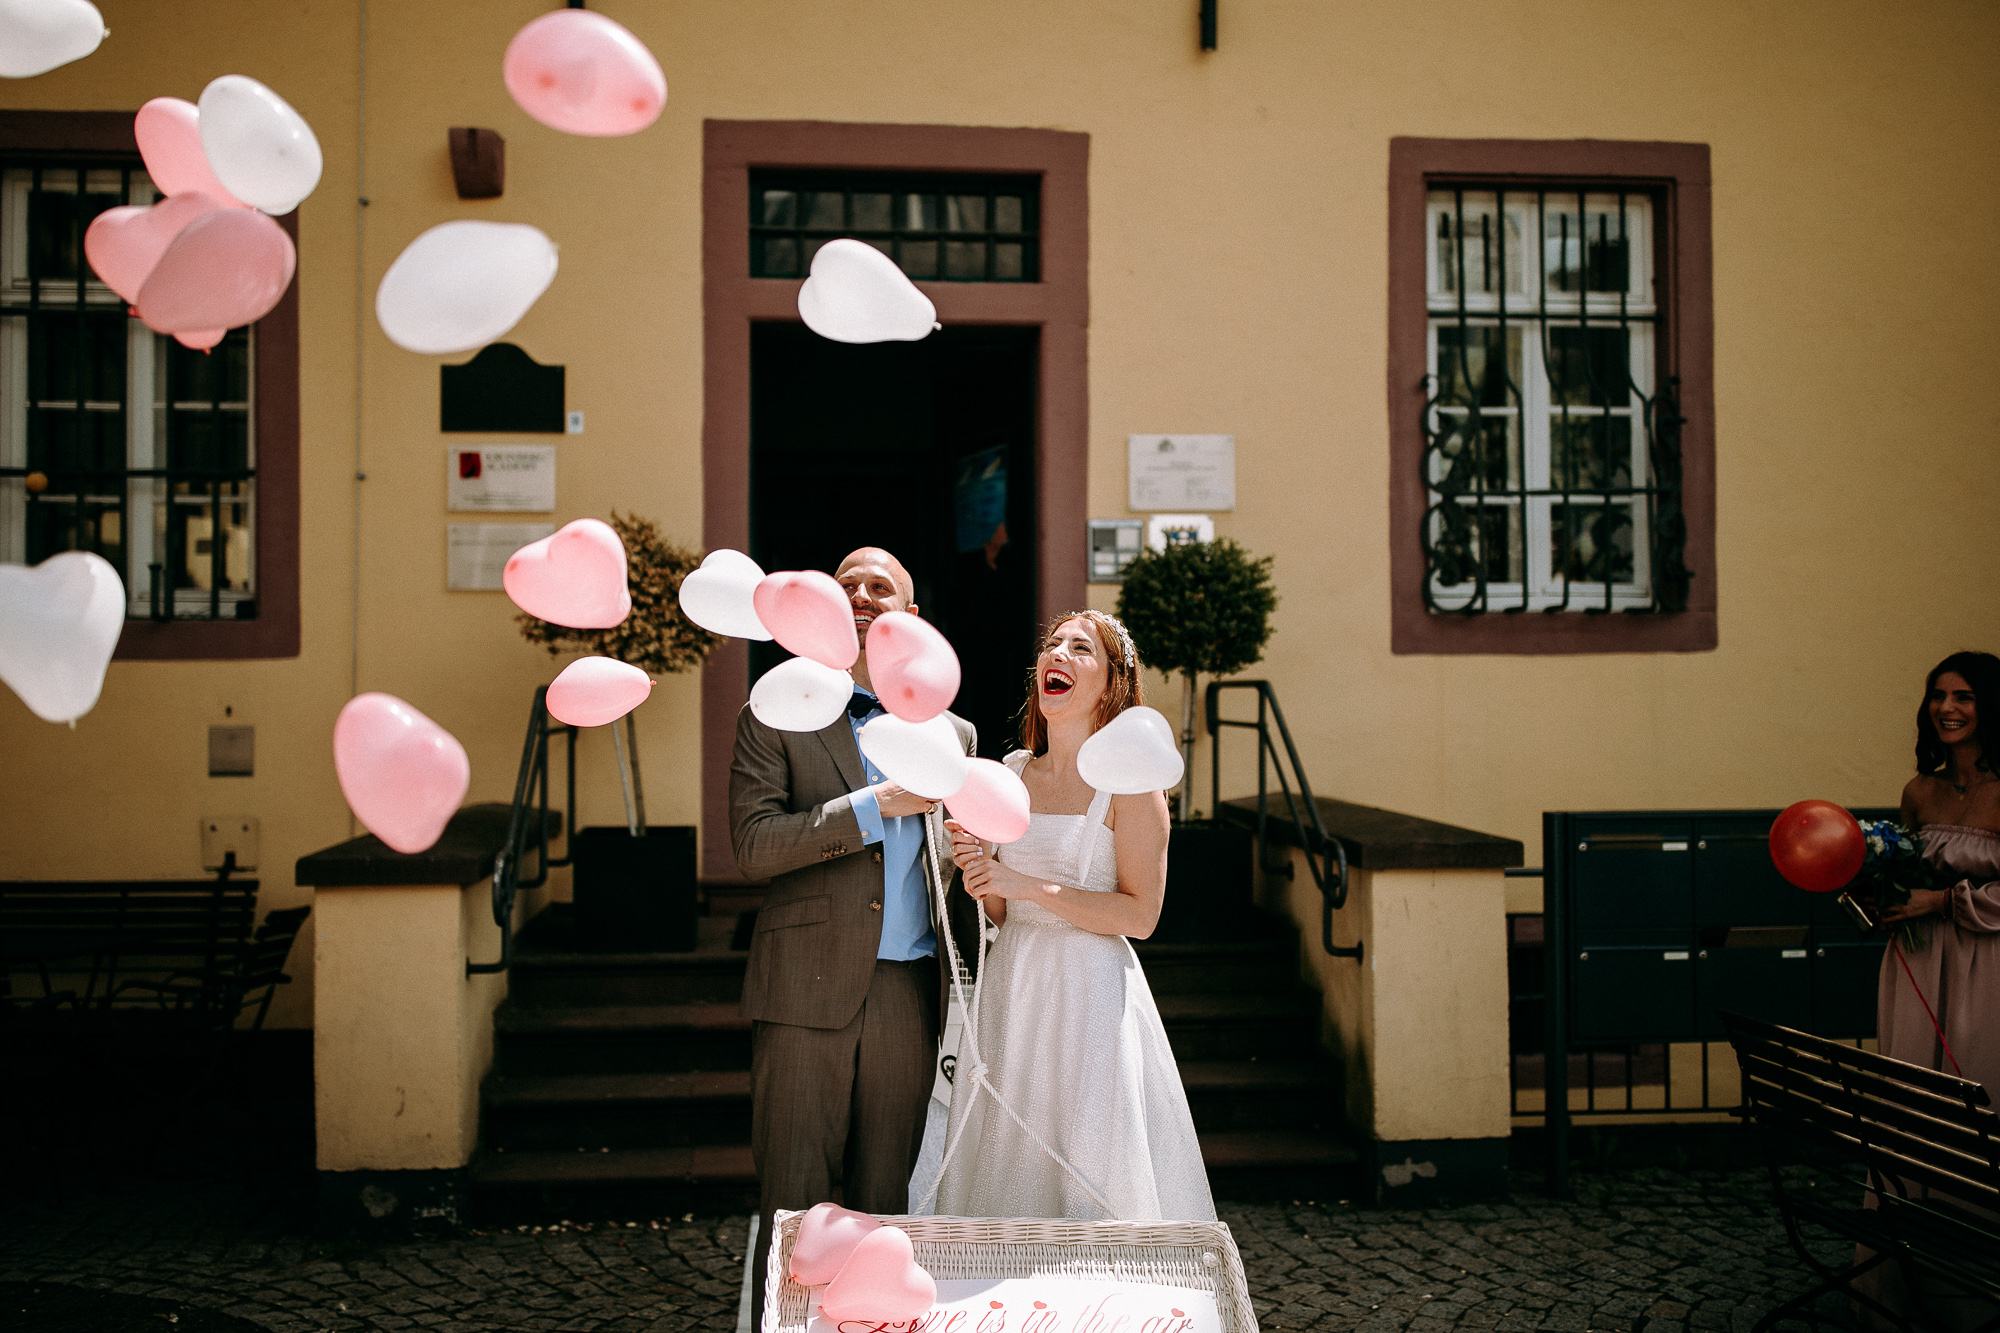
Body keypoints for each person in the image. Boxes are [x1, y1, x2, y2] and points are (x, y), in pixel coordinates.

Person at [730, 546, 977, 1315]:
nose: (864, 596)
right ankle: (781, 1323)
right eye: (848, 586)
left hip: (909, 992)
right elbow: (753, 844)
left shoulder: (957, 735)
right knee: (795, 1198)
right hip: (804, 983)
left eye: (883, 587)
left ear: (911, 617)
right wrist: (874, 807)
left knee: (889, 1200)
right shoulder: (775, 707)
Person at [924, 610, 1216, 1221]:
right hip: (1014, 985)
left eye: (1081, 648)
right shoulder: (1009, 774)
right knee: (1009, 1154)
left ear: (1110, 684)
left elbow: (1141, 916)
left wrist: (1021, 882)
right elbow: (1003, 911)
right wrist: (981, 873)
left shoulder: (1131, 786)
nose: (1057, 654)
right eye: (1052, 645)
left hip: (1091, 997)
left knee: (1090, 1157)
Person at [1880, 649, 2000, 1100]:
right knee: (1916, 1083)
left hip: (1990, 960)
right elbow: (1904, 875)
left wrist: (1942, 901)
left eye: (1964, 697)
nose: (1946, 708)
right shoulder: (1920, 791)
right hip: (1922, 958)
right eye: (1938, 696)